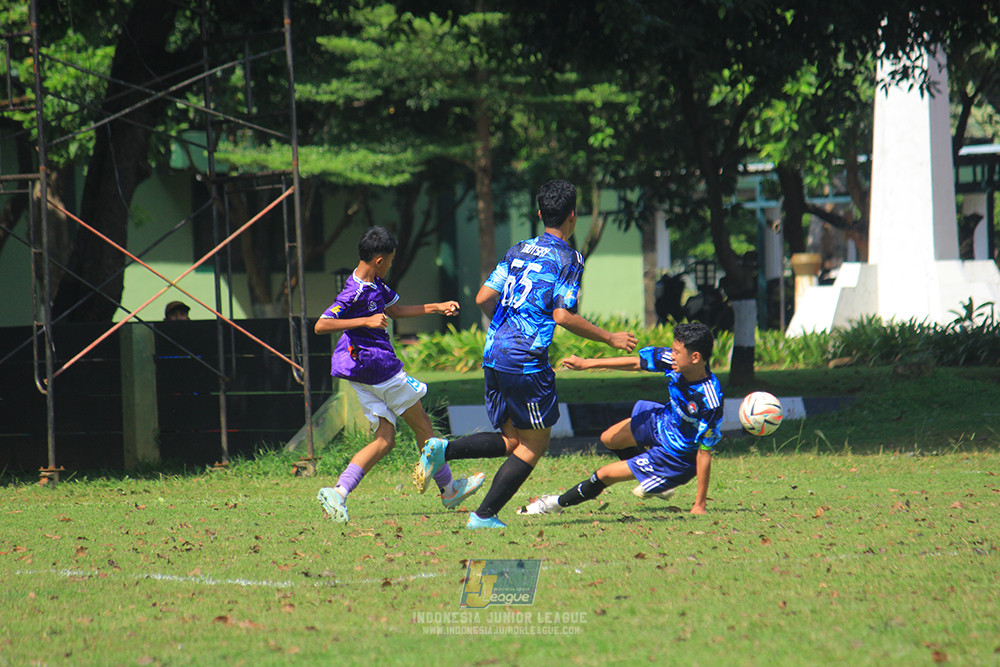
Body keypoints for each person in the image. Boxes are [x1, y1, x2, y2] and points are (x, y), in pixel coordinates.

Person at [412, 179, 637, 529]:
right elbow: (563, 315)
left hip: (492, 354)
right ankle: (483, 515)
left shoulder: (519, 249)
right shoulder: (569, 258)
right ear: (573, 216)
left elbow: (484, 298)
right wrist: (609, 338)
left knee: (511, 440)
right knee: (534, 444)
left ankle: (444, 450)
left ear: (539, 213)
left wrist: (506, 331)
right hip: (525, 362)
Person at [315, 226, 484, 523]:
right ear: (379, 260)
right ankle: (448, 489)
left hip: (363, 374)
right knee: (424, 428)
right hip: (380, 370)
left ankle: (338, 492)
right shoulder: (353, 291)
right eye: (391, 260)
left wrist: (436, 307)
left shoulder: (376, 284)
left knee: (385, 439)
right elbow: (321, 324)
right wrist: (364, 321)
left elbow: (395, 311)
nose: (391, 265)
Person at [517, 322, 723, 517]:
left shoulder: (709, 399)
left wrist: (699, 505)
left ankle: (552, 505)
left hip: (676, 454)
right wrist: (587, 363)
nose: (672, 355)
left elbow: (704, 452)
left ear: (695, 358)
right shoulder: (674, 361)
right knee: (610, 438)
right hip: (664, 421)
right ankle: (655, 480)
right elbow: (636, 363)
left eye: (677, 352)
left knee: (604, 474)